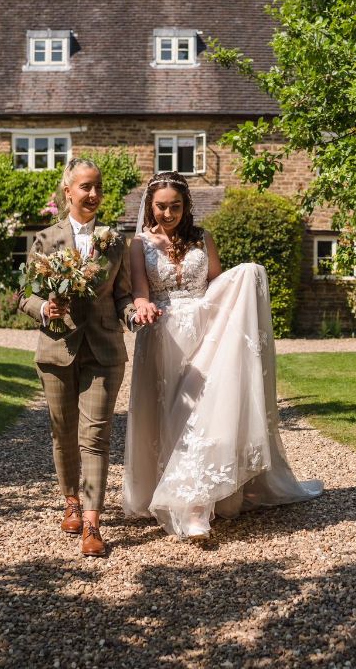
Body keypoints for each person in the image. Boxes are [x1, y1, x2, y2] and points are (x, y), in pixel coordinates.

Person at [122, 171, 322, 541]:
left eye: (176, 206)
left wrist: (246, 278)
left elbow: (216, 285)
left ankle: (197, 503)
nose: (168, 214)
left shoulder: (203, 238)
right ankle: (171, 494)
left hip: (206, 329)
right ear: (150, 207)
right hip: (163, 335)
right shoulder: (138, 245)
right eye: (161, 207)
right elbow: (139, 291)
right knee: (168, 414)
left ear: (187, 206)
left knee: (202, 412)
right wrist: (143, 307)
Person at [17, 158, 135, 558]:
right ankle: (70, 500)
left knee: (96, 437)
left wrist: (133, 313)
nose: (94, 194)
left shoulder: (115, 241)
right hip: (57, 348)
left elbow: (121, 294)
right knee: (62, 434)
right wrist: (42, 309)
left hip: (104, 350)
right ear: (67, 191)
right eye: (85, 187)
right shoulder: (46, 240)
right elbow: (24, 295)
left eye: (98, 186)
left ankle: (92, 522)